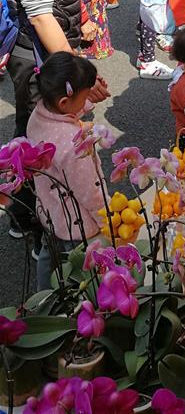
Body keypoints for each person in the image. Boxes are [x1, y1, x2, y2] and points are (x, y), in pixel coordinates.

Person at [0, 0, 109, 236]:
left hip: (28, 47)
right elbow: (41, 14)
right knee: (38, 141)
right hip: (37, 53)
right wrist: (79, 73)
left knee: (33, 131)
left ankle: (30, 212)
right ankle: (33, 222)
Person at [28, 52, 104, 290]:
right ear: (65, 101)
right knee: (82, 270)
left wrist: (85, 101)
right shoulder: (74, 144)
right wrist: (108, 216)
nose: (85, 104)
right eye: (84, 97)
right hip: (77, 224)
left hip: (49, 210)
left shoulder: (39, 115)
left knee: (48, 255)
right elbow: (88, 191)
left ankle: (42, 298)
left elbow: (69, 110)